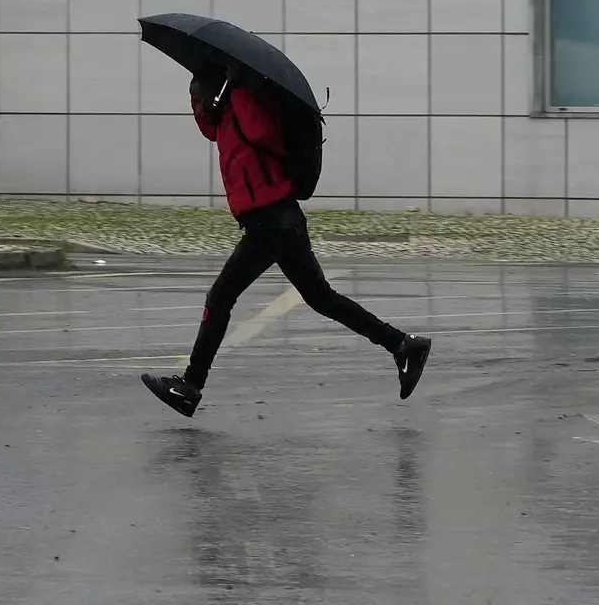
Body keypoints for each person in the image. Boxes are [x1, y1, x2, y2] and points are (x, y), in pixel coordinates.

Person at [141, 62, 430, 418]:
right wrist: (201, 102)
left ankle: (190, 386)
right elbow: (212, 130)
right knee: (323, 299)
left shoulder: (249, 100)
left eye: (202, 91)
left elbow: (262, 134)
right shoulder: (226, 110)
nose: (200, 100)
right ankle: (403, 345)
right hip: (276, 222)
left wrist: (236, 91)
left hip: (272, 221)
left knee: (220, 297)